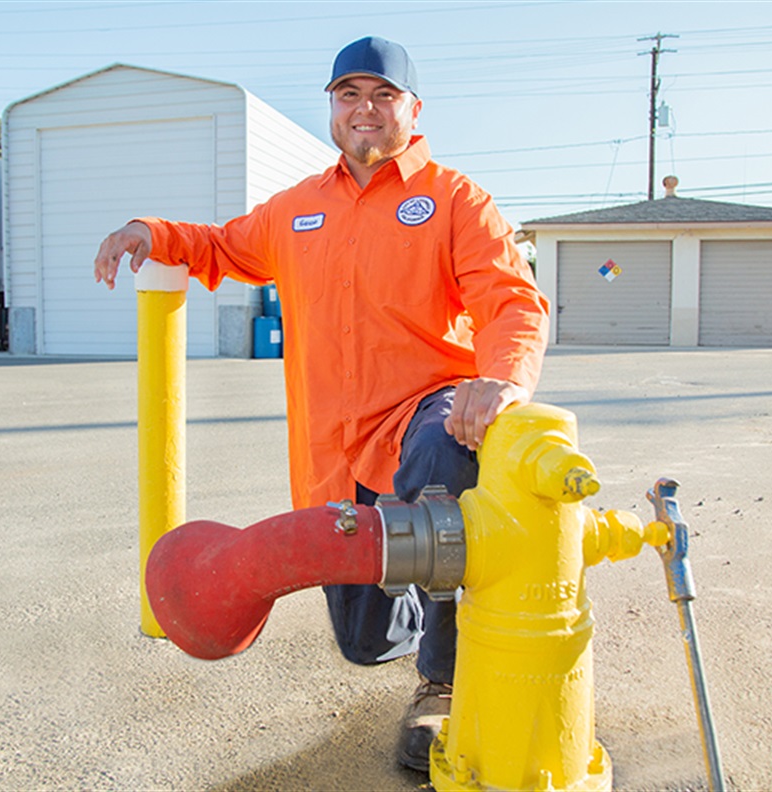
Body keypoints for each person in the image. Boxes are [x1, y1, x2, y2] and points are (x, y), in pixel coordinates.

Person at [94, 35, 550, 771]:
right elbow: (220, 245)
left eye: (382, 95)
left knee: (443, 455)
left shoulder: (456, 199)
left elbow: (511, 301)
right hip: (335, 451)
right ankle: (429, 602)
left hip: (421, 415)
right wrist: (150, 231)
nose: (365, 110)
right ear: (333, 108)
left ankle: (444, 682)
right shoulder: (297, 209)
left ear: (412, 108)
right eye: (349, 95)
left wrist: (502, 379)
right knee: (364, 644)